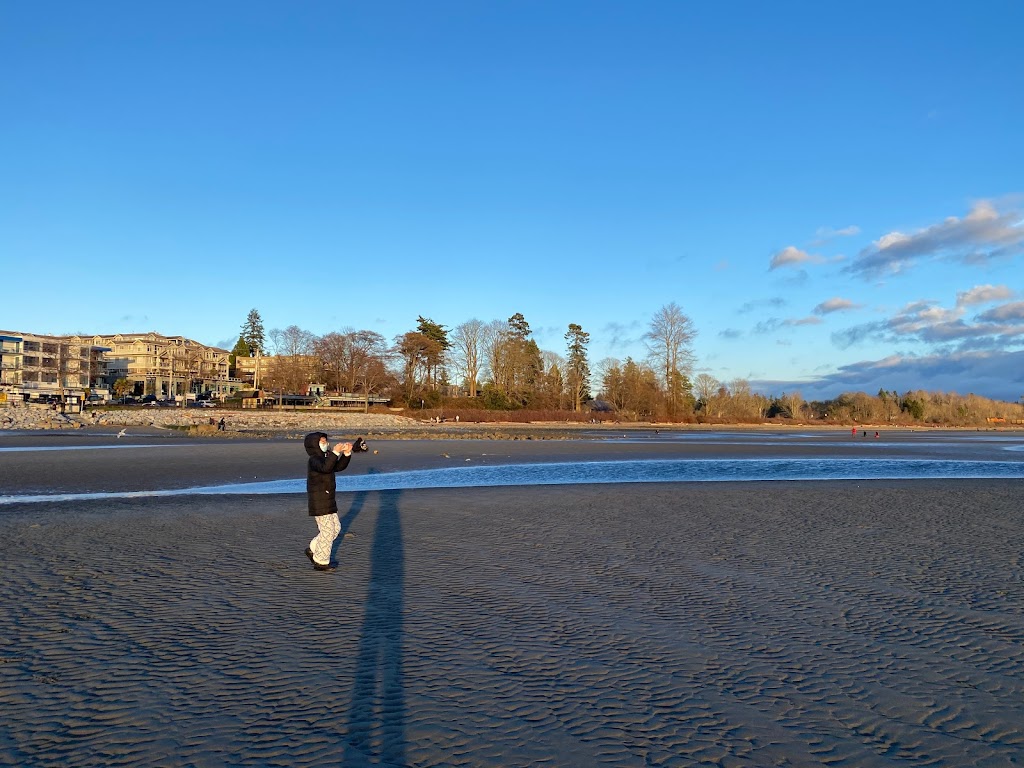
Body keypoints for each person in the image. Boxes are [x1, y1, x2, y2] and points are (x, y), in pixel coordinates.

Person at [303, 432, 367, 571]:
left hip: (329, 499)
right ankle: (321, 561)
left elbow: (337, 467)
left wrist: (346, 454)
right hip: (318, 501)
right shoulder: (314, 460)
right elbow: (326, 467)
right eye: (322, 441)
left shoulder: (326, 457)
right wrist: (336, 452)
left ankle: (314, 548)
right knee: (327, 531)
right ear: (314, 445)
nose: (325, 443)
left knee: (335, 528)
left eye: (326, 441)